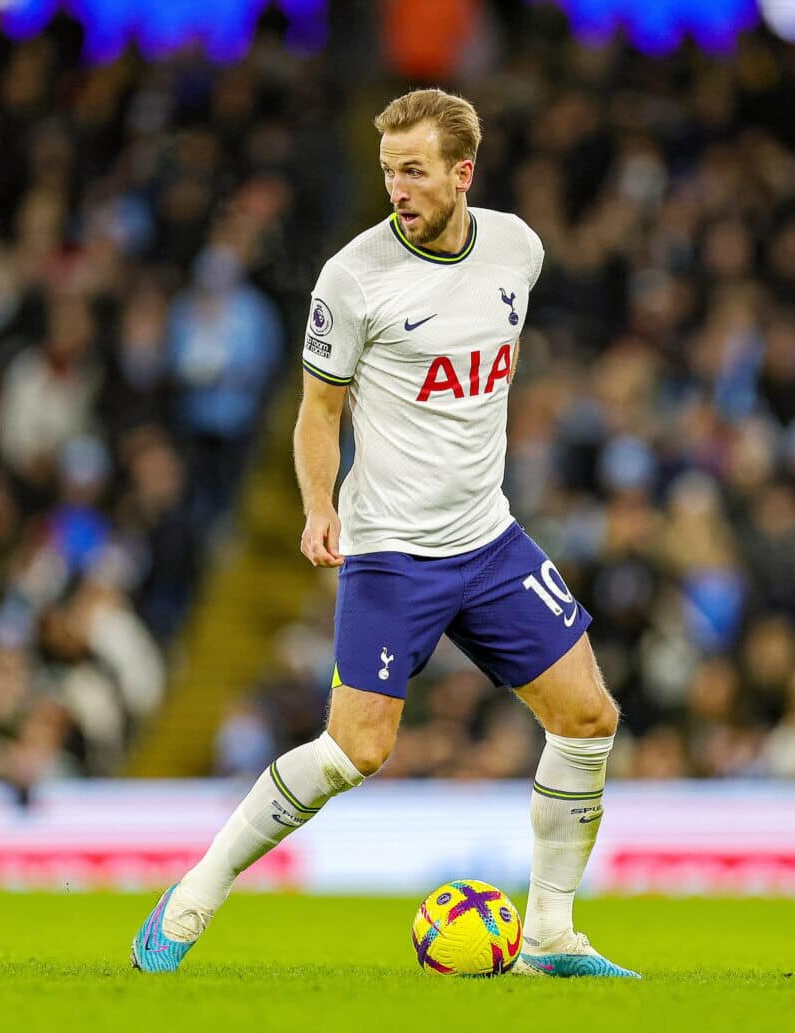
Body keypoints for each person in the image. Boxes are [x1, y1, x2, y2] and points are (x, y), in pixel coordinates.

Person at [131, 88, 637, 978]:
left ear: (461, 173)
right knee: (356, 749)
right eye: (387, 171)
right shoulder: (354, 277)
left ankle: (552, 935)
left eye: (413, 170)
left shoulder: (519, 249)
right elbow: (318, 412)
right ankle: (196, 892)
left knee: (590, 715)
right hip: (393, 551)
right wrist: (319, 505)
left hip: (489, 540)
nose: (397, 187)